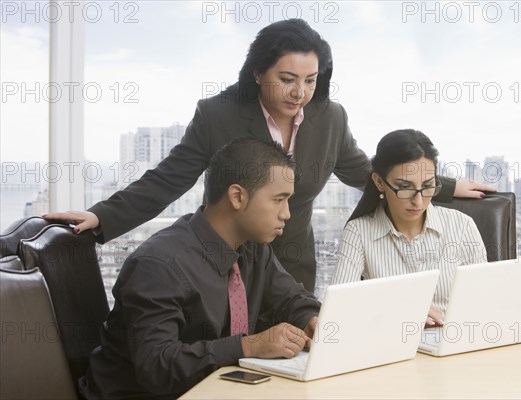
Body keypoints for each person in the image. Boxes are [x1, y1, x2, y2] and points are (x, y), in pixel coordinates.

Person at [45, 19, 493, 292]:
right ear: (258, 72)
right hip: (221, 261)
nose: (300, 93)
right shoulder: (217, 114)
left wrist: (445, 185)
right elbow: (169, 178)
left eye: (312, 80)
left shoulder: (330, 117)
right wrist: (101, 217)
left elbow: (365, 171)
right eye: (287, 78)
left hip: (292, 265)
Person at [78, 138, 320, 399]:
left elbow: (291, 299)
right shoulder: (159, 265)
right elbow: (158, 366)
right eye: (278, 200)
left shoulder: (253, 248)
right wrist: (249, 346)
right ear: (237, 196)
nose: (287, 214)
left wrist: (311, 319)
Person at [330, 130, 488, 326]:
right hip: (390, 344)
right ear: (379, 182)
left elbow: (484, 302)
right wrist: (401, 310)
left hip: (455, 341)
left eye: (428, 186)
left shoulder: (462, 226)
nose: (418, 201)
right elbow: (339, 308)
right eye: (405, 187)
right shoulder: (359, 232)